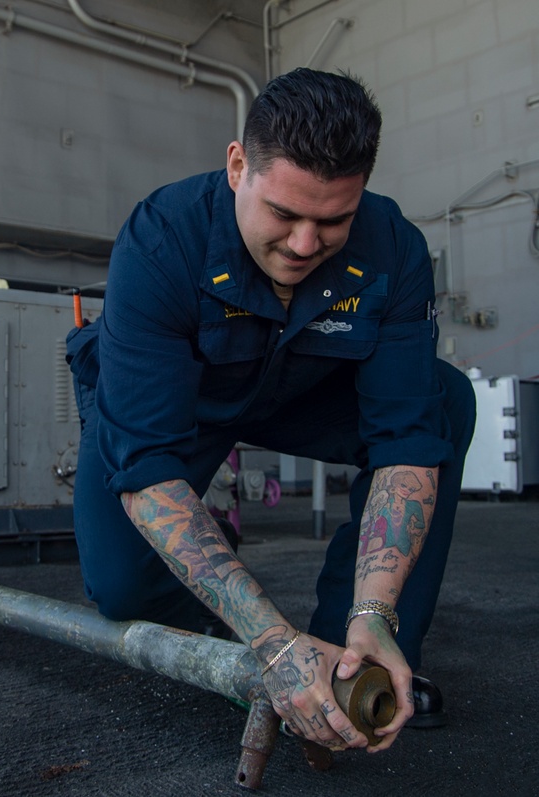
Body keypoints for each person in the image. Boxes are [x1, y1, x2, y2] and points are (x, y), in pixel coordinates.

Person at [66, 68, 475, 753]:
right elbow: (147, 464)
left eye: (333, 220)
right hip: (181, 407)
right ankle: (250, 646)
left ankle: (360, 651)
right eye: (284, 214)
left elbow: (403, 438)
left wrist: (374, 610)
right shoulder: (162, 238)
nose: (305, 244)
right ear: (237, 167)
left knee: (444, 398)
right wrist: (266, 637)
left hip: (300, 393)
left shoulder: (393, 247)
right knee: (120, 588)